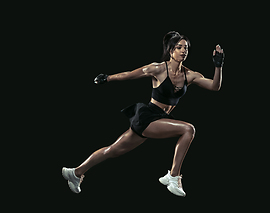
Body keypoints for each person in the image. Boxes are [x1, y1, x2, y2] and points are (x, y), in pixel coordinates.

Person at [62, 31, 224, 197]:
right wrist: (108, 78)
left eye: (186, 48)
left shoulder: (190, 75)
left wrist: (218, 66)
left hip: (160, 119)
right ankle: (174, 176)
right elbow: (130, 74)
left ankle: (75, 173)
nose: (183, 51)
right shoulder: (159, 69)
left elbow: (214, 86)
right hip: (148, 116)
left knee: (113, 150)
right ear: (170, 50)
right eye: (179, 47)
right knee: (188, 129)